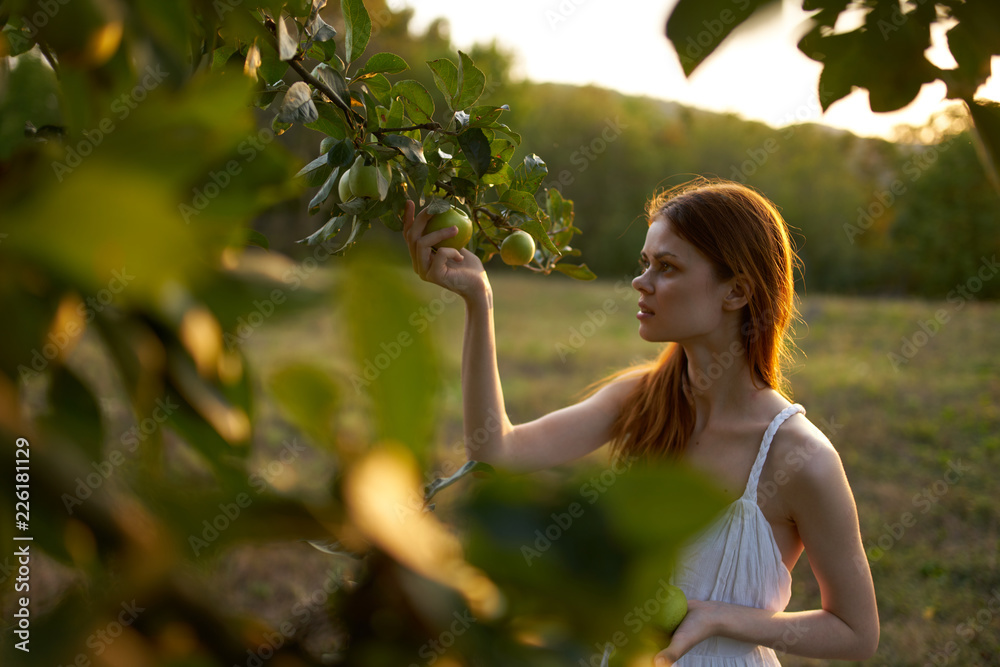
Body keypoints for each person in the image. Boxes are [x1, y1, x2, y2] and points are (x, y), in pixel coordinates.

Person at [402, 177, 879, 665]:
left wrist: (718, 618)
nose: (641, 282)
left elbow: (856, 632)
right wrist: (478, 299)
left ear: (736, 291)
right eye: (645, 263)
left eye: (667, 267)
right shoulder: (642, 399)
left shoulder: (801, 457)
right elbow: (496, 450)